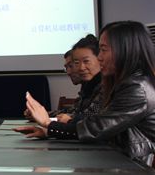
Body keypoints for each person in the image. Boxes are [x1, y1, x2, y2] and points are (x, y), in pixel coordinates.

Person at [16, 21, 155, 165]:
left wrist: (48, 124)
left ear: (125, 49)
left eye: (103, 50)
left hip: (135, 168)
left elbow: (98, 127)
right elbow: (101, 125)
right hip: (119, 160)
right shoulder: (125, 82)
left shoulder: (137, 88)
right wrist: (49, 131)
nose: (99, 57)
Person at [56, 34, 102, 123]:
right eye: (77, 63)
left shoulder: (107, 85)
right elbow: (76, 111)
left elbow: (92, 118)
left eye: (86, 61)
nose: (81, 68)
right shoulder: (87, 84)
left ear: (100, 58)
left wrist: (70, 120)